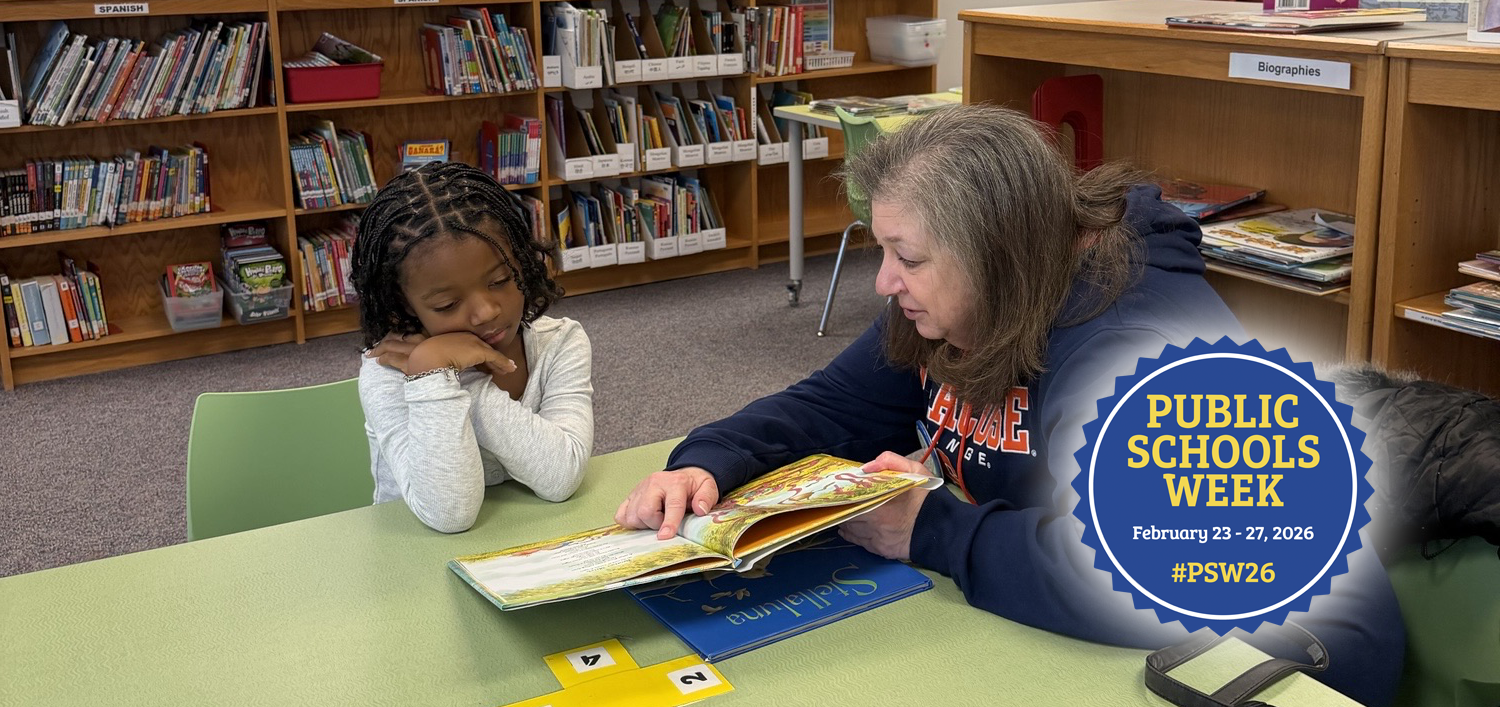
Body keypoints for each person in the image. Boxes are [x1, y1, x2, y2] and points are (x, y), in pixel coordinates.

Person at [615, 105, 1404, 705]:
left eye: (906, 256)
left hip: (1284, 660)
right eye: (883, 249)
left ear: (995, 252)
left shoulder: (1140, 349)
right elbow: (832, 404)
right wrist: (708, 459)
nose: (885, 281)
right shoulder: (960, 296)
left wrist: (930, 528)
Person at [352, 162, 593, 533]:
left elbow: (562, 475)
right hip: (416, 552)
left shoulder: (559, 343)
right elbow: (449, 514)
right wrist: (433, 371)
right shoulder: (390, 370)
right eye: (447, 304)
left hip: (533, 538)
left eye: (500, 280)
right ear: (404, 306)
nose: (486, 312)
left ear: (521, 261)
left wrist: (470, 385)